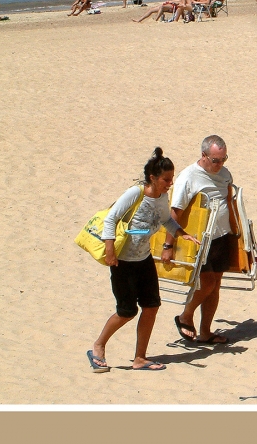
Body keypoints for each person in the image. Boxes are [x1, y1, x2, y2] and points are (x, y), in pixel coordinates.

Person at [88, 148, 201, 373]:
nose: (170, 183)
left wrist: (181, 233)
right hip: (123, 262)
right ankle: (98, 347)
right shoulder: (135, 193)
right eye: (166, 179)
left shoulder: (161, 197)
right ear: (153, 178)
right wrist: (110, 252)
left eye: (172, 179)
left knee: (151, 307)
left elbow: (167, 220)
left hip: (144, 259)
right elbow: (111, 219)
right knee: (126, 311)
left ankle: (140, 358)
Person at [165, 135, 236, 345]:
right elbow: (175, 212)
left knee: (216, 286)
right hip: (199, 240)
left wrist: (239, 234)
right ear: (204, 155)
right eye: (216, 160)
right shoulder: (188, 177)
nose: (220, 164)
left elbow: (230, 202)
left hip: (222, 236)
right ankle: (186, 316)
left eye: (224, 159)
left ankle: (206, 331)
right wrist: (168, 245)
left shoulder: (224, 174)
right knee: (206, 284)